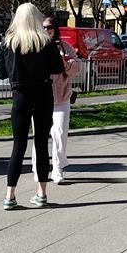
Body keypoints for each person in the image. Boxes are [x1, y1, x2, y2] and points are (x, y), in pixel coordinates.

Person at [0, 3, 63, 209]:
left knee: (18, 145)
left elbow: (1, 73)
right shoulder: (46, 42)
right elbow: (57, 68)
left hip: (20, 95)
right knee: (41, 143)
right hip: (43, 94)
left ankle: (10, 195)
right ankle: (41, 193)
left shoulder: (8, 43)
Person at [31, 16, 82, 184]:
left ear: (55, 29)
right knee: (40, 136)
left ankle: (58, 168)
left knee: (60, 132)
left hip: (61, 97)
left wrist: (65, 63)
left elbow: (77, 66)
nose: (47, 30)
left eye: (50, 27)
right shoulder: (35, 46)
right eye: (44, 27)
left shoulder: (64, 46)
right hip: (40, 98)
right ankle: (38, 169)